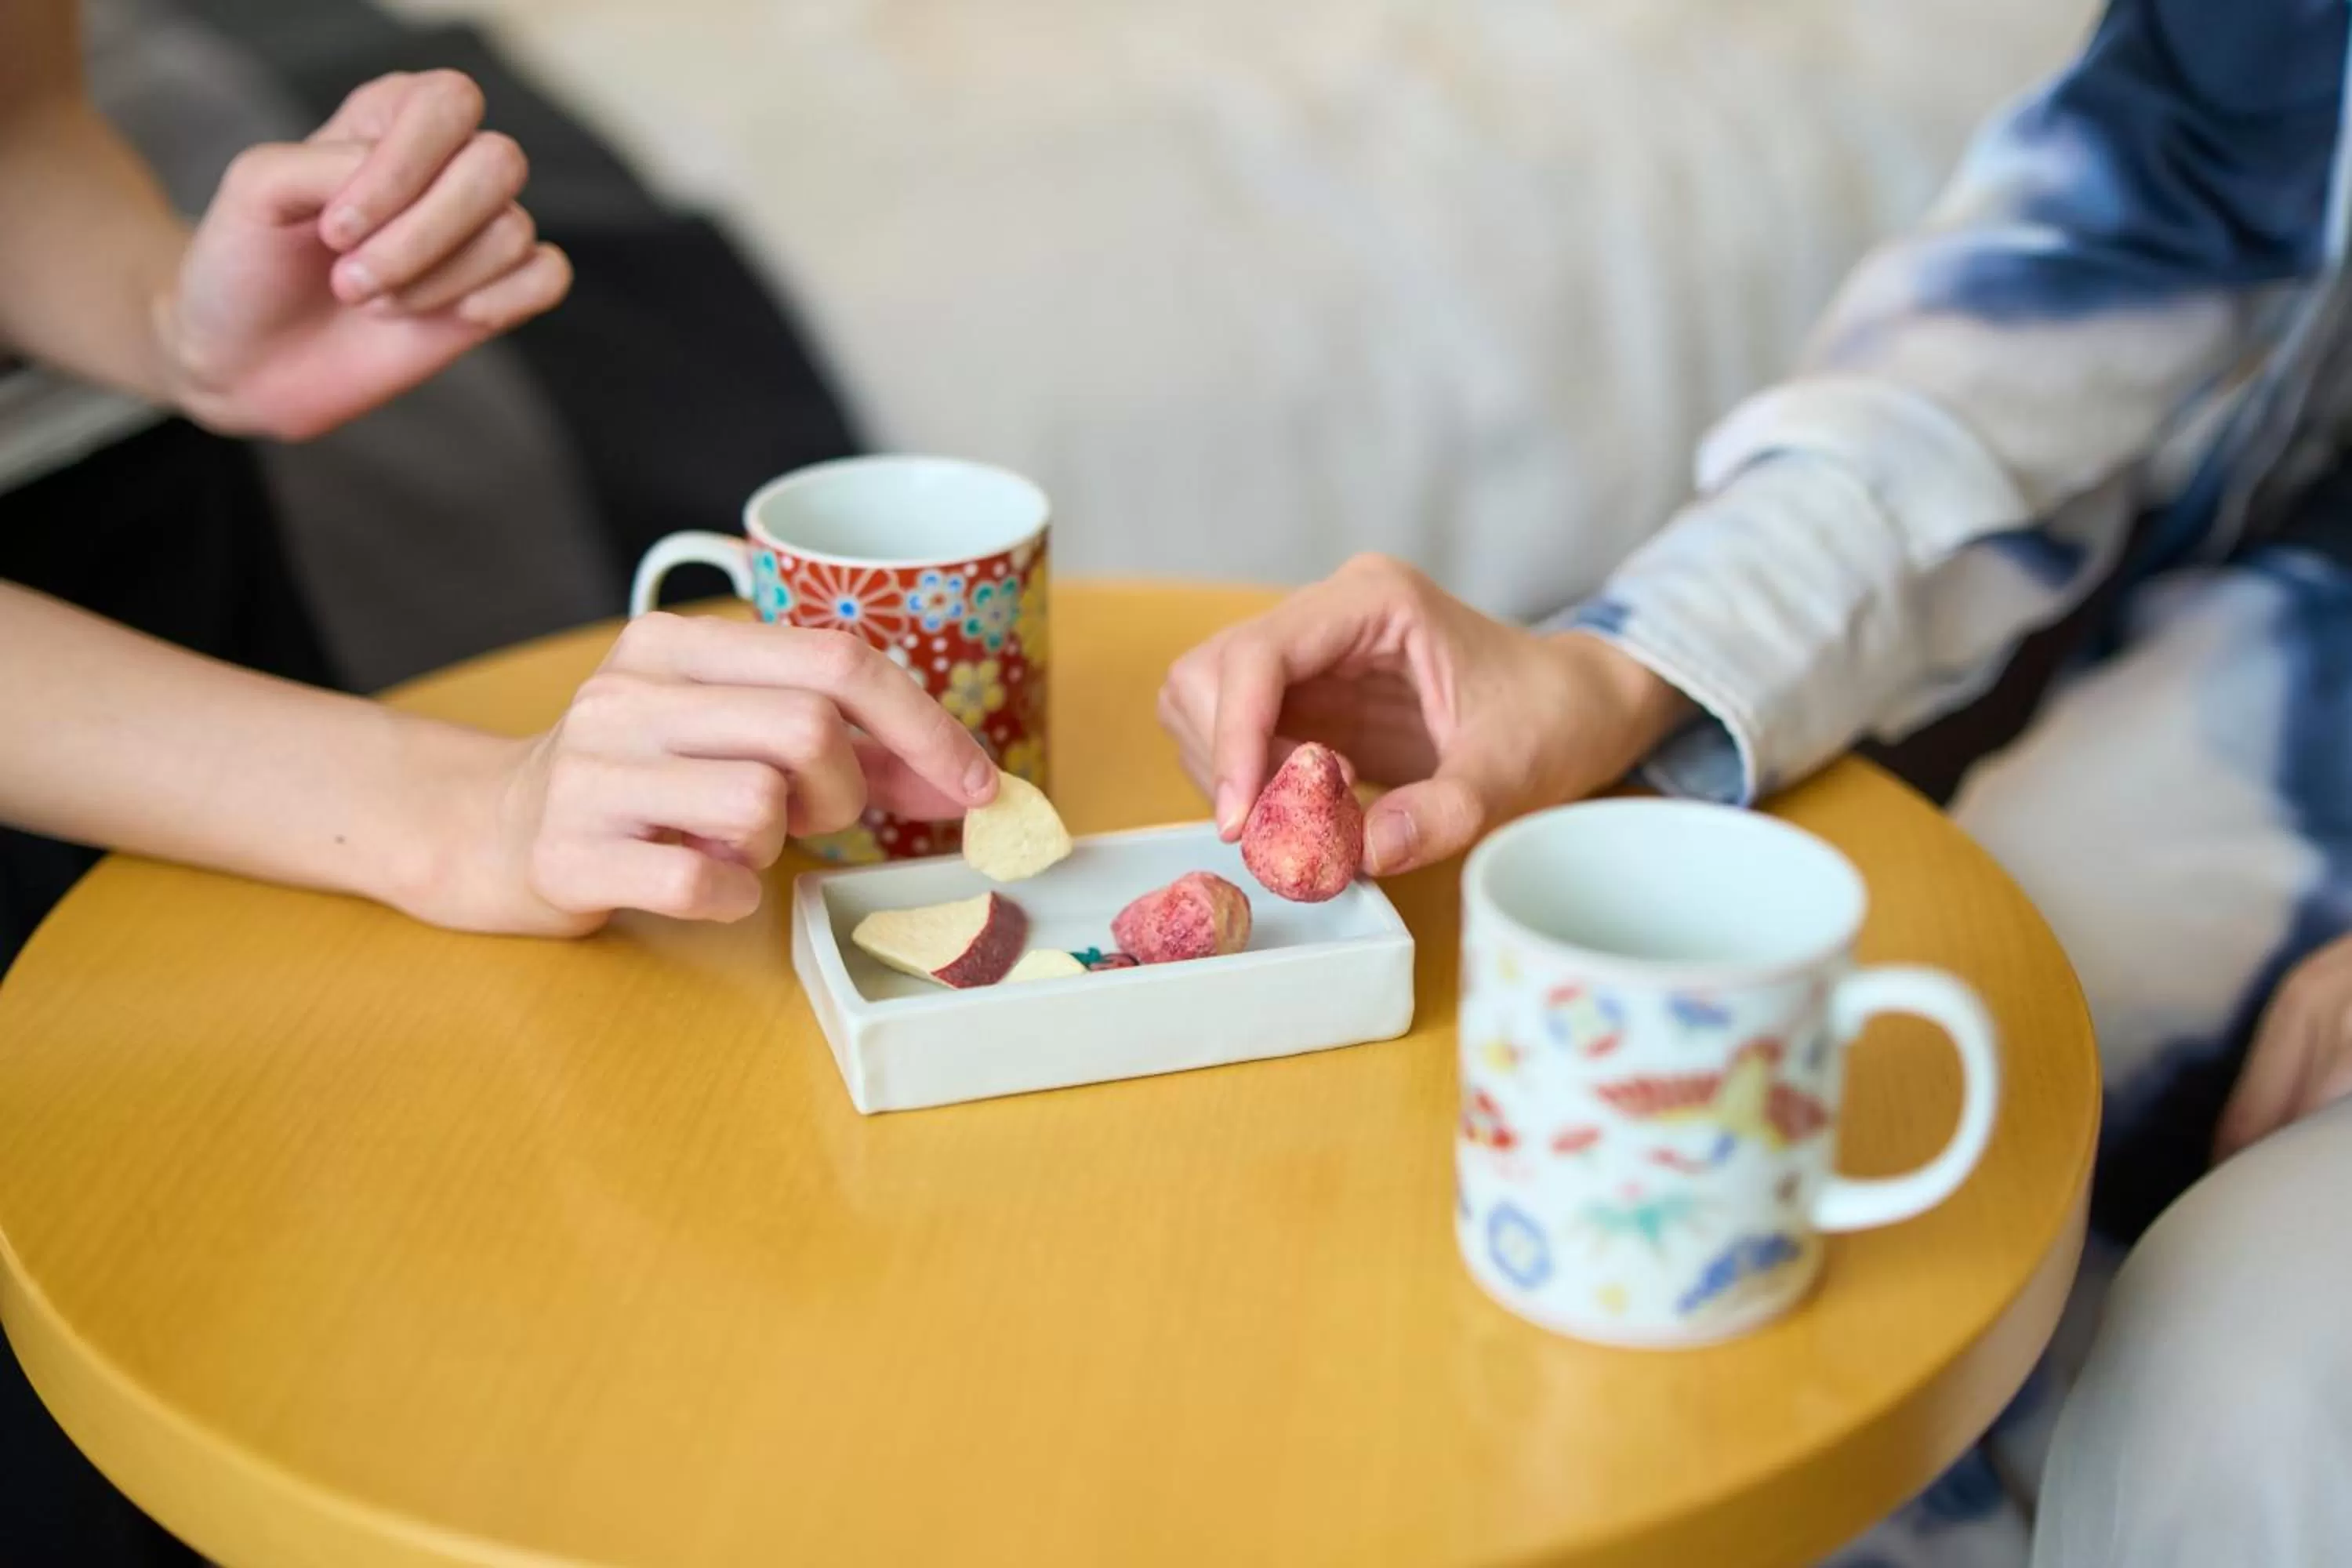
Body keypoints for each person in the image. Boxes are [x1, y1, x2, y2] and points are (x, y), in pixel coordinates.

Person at [1162, 1, 2352, 1563]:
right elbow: (2156, 201)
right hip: (2299, 644)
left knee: (2246, 1369)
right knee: (1931, 1107)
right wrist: (1623, 667)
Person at [2, 5, 996, 1559]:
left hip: (127, 537)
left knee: (290, 1332)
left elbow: (13, 116)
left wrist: (168, 327)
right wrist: (453, 812)